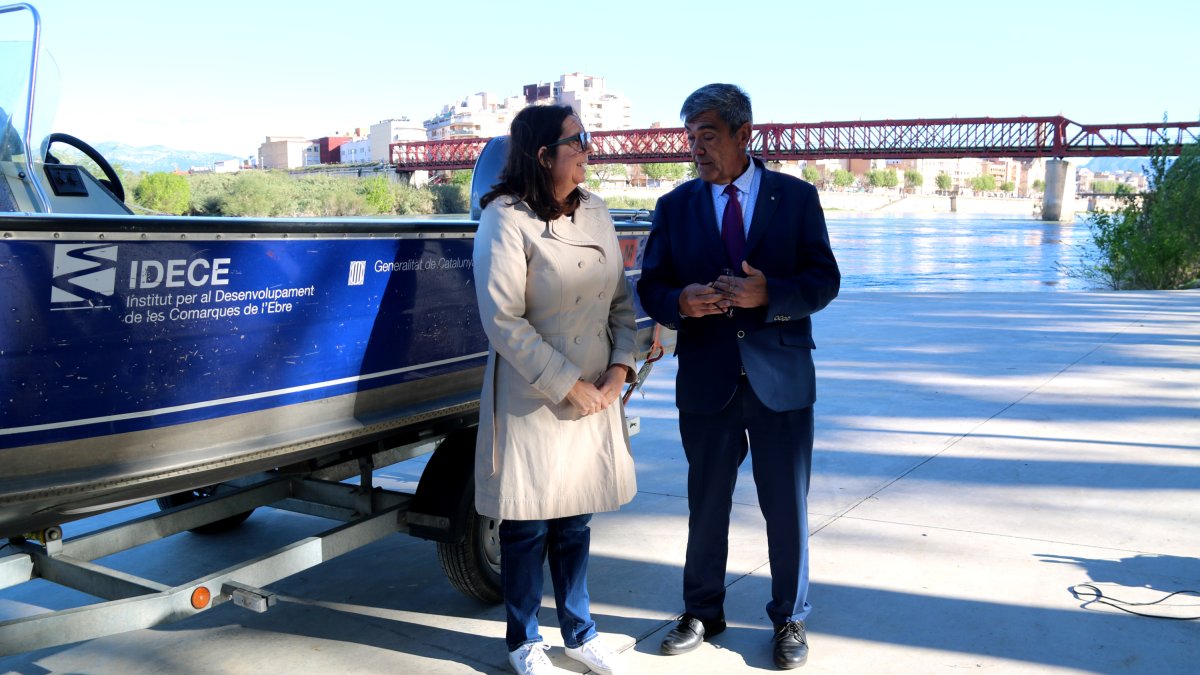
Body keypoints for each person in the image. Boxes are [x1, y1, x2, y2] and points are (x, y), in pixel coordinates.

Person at [637, 84, 840, 670]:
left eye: (708, 135)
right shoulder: (675, 207)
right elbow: (651, 287)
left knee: (786, 508)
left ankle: (790, 619)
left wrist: (769, 294)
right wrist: (683, 301)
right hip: (707, 379)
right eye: (690, 137)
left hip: (781, 381)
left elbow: (824, 281)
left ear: (743, 134)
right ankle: (702, 611)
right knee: (707, 502)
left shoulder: (797, 198)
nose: (696, 148)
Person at [472, 103, 639, 675]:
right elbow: (503, 322)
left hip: (597, 389)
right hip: (534, 396)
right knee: (527, 525)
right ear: (544, 156)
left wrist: (620, 372)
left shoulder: (595, 210)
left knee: (576, 520)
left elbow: (620, 302)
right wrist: (569, 385)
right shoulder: (505, 218)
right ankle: (524, 641)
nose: (589, 149)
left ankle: (580, 631)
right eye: (578, 141)